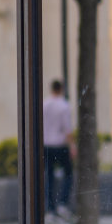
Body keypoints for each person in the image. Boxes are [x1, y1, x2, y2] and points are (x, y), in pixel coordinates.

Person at [41, 79, 74, 215]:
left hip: (46, 144)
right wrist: (72, 146)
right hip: (60, 145)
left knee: (49, 175)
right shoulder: (64, 106)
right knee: (68, 174)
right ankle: (62, 202)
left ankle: (50, 207)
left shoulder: (44, 105)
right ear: (61, 89)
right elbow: (67, 128)